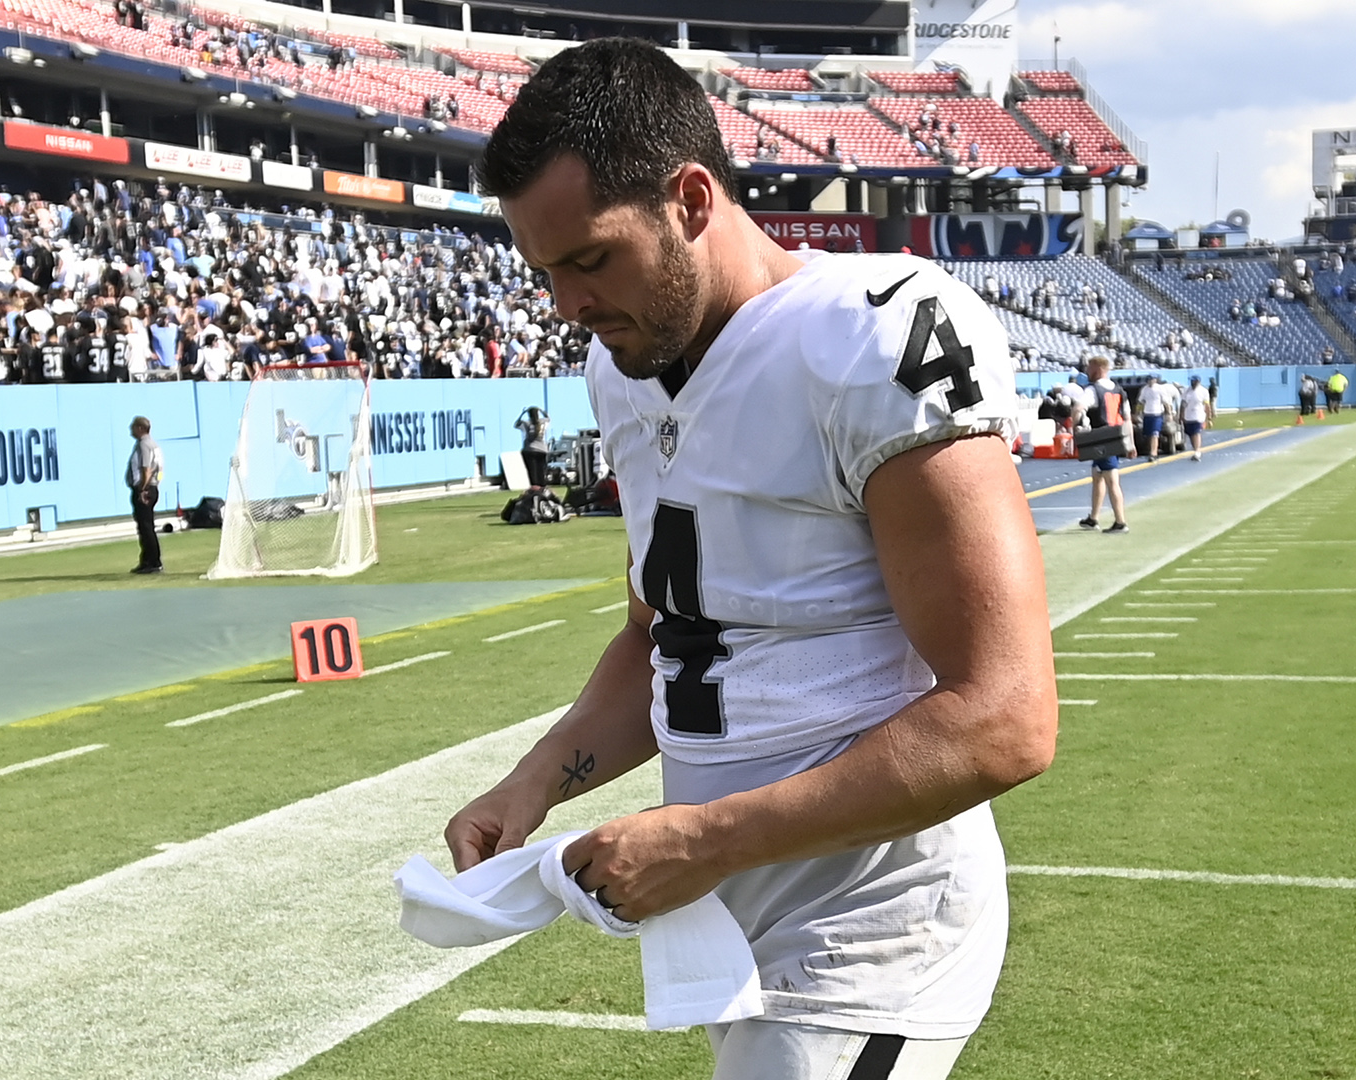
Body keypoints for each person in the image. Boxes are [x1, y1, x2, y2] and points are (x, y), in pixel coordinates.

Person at [443, 39, 1055, 1080]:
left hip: (871, 926)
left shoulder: (872, 336)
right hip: (738, 927)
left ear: (690, 198)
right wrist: (534, 782)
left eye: (590, 259)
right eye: (545, 271)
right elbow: (664, 634)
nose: (567, 304)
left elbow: (1005, 717)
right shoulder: (621, 365)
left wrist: (707, 838)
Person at [1079, 356, 1131, 533]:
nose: (1087, 371)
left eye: (1090, 367)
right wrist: (1130, 443)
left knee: (1111, 480)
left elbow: (1079, 407)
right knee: (1097, 475)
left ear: (1099, 368)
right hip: (1115, 435)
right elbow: (1127, 417)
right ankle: (1093, 518)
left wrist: (1075, 427)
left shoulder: (1093, 390)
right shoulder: (1118, 390)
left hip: (1101, 437)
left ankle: (1120, 521)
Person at [126, 415, 164, 573]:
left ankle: (152, 561)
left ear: (140, 428)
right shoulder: (153, 444)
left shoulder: (144, 445)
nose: (130, 430)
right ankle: (149, 560)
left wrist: (142, 489)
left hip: (145, 489)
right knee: (147, 526)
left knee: (146, 527)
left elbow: (146, 468)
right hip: (152, 487)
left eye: (133, 427)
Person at [514, 404, 550, 490]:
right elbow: (548, 418)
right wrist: (542, 411)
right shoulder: (543, 422)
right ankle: (543, 488)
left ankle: (534, 488)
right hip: (542, 450)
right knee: (541, 471)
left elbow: (516, 424)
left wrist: (522, 414)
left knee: (532, 472)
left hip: (529, 449)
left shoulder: (526, 423)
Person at [1137, 373, 1166, 462]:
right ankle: (1152, 450)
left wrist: (1169, 413)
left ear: (1155, 380)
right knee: (1149, 434)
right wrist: (1138, 412)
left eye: (1151, 379)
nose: (1150, 381)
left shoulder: (1160, 389)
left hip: (1157, 413)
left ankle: (1154, 453)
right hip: (1147, 414)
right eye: (1148, 380)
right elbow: (1141, 401)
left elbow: (1165, 401)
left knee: (1155, 434)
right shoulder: (1144, 389)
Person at [1180, 375, 1209, 462]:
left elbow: (1207, 405)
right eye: (1192, 381)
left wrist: (1209, 416)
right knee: (1191, 433)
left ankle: (1197, 451)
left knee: (1196, 433)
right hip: (1188, 415)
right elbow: (1183, 403)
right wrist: (1181, 415)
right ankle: (1195, 449)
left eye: (1194, 381)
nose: (1193, 383)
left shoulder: (1203, 391)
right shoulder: (1187, 391)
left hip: (1198, 415)